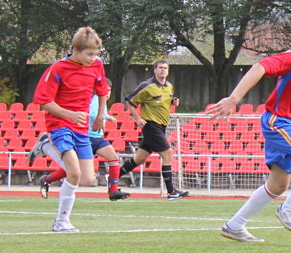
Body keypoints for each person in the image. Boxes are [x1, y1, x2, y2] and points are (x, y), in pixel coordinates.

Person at [205, 42, 291, 243]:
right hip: (278, 121)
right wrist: (234, 98)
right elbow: (260, 67)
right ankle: (289, 207)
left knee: (278, 185)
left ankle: (234, 226)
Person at [32, 27, 111, 232]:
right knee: (74, 172)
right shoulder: (58, 69)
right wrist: (70, 114)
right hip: (59, 124)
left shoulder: (97, 65)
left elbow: (102, 91)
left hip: (81, 127)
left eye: (95, 54)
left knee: (87, 179)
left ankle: (45, 145)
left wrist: (100, 116)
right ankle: (61, 222)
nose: (93, 58)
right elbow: (44, 103)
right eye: (89, 54)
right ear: (75, 49)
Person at [37, 94, 130, 201]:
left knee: (113, 158)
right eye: (107, 90)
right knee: (75, 169)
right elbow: (91, 113)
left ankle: (113, 190)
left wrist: (104, 119)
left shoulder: (102, 101)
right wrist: (105, 117)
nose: (108, 93)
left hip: (97, 138)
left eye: (110, 91)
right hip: (86, 137)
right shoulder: (95, 98)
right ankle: (47, 179)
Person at [118, 59, 189, 199]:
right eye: (160, 67)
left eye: (165, 68)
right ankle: (171, 192)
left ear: (168, 71)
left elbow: (164, 101)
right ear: (155, 70)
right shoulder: (147, 86)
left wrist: (174, 102)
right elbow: (130, 101)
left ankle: (112, 178)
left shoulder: (169, 86)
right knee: (167, 154)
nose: (163, 70)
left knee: (139, 159)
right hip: (151, 125)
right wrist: (137, 118)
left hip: (162, 126)